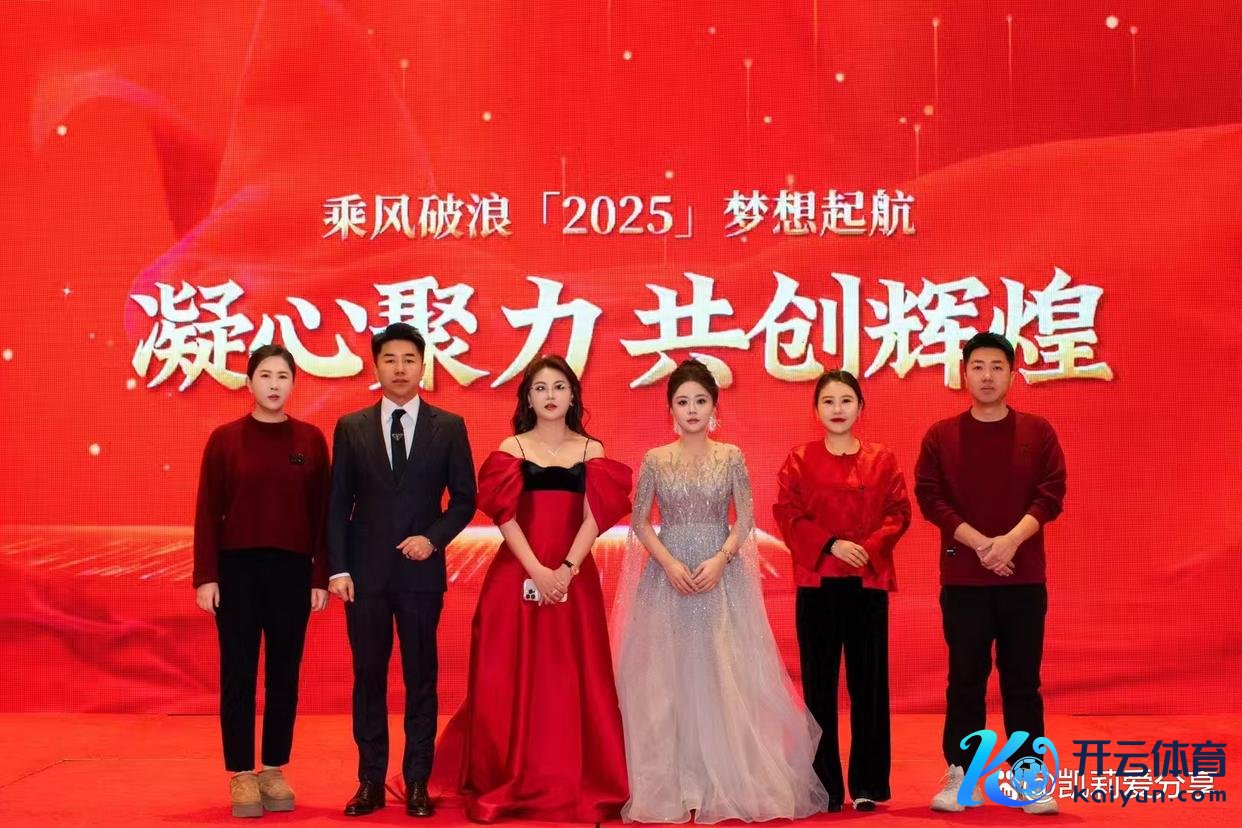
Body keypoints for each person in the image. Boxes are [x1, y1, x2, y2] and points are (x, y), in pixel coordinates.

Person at [612, 358, 830, 823]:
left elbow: (745, 517)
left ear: (714, 406)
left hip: (720, 577)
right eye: (682, 401)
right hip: (668, 579)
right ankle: (677, 784)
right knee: (667, 678)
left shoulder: (730, 456)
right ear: (670, 408)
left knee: (723, 671)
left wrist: (721, 558)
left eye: (700, 401)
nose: (692, 409)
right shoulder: (655, 459)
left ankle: (723, 782)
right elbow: (640, 522)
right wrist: (669, 563)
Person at [435, 355, 632, 822]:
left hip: (573, 580)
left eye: (559, 387)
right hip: (515, 577)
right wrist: (538, 571)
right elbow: (504, 517)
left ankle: (568, 775)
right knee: (508, 676)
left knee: (569, 676)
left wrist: (565, 569)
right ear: (527, 397)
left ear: (573, 395)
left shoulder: (592, 450)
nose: (549, 396)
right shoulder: (512, 447)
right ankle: (505, 773)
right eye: (540, 388)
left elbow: (595, 518)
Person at [326, 323, 477, 818]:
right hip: (364, 576)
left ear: (422, 366)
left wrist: (432, 538)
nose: (399, 369)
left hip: (420, 576)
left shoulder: (448, 427)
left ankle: (417, 782)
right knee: (368, 676)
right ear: (376, 366)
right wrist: (338, 569)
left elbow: (465, 500)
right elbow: (337, 504)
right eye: (389, 359)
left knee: (421, 677)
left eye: (409, 359)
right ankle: (369, 781)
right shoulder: (351, 427)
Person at [914, 332, 1066, 815]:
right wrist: (982, 544)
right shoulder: (941, 435)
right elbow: (930, 497)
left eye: (997, 367)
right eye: (977, 366)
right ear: (964, 374)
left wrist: (1010, 542)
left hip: (1024, 579)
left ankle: (1028, 775)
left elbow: (1051, 494)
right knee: (966, 680)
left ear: (1012, 374)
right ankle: (962, 774)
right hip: (964, 581)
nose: (987, 376)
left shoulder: (1038, 432)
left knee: (1022, 681)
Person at [193, 343, 330, 818]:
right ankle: (241, 772)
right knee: (238, 672)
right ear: (249, 382)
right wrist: (206, 576)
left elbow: (322, 515)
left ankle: (273, 767)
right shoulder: (225, 439)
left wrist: (320, 575)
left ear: (294, 383)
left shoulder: (310, 440)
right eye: (265, 375)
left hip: (293, 572)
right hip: (237, 571)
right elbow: (207, 510)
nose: (274, 384)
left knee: (284, 674)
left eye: (283, 376)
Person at [773, 369, 911, 813]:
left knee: (869, 685)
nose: (837, 409)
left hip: (867, 582)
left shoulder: (881, 458)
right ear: (816, 410)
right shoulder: (799, 459)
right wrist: (831, 545)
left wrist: (866, 548)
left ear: (860, 407)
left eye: (846, 400)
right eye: (828, 401)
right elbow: (787, 513)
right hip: (818, 584)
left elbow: (898, 512)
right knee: (819, 687)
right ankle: (824, 788)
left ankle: (868, 783)